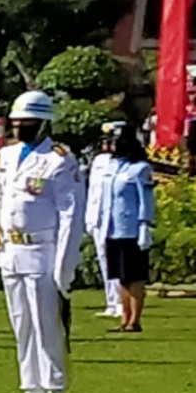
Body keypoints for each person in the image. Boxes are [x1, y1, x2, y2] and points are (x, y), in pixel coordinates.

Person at [0, 90, 82, 393]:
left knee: (47, 328)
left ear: (44, 124)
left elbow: (71, 215)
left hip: (43, 251)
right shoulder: (8, 155)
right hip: (11, 251)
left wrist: (64, 266)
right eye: (16, 123)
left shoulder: (59, 159)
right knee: (22, 326)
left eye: (27, 123)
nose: (19, 129)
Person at [100, 125, 155, 335]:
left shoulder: (141, 168)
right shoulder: (112, 167)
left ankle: (135, 320)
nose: (110, 144)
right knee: (121, 277)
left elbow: (146, 199)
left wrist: (144, 224)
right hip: (113, 229)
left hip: (132, 229)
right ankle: (124, 318)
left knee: (135, 277)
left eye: (113, 140)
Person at [84, 123, 123, 320]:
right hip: (99, 218)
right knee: (104, 261)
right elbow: (93, 191)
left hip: (117, 218)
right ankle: (111, 302)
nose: (108, 145)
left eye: (112, 141)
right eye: (106, 141)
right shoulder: (99, 160)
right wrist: (90, 218)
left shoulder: (126, 162)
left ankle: (122, 302)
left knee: (119, 261)